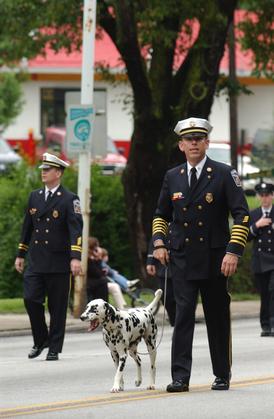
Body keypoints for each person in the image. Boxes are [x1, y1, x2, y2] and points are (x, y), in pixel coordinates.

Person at [152, 117, 249, 392]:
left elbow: (241, 215)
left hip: (215, 259)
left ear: (206, 142)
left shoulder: (223, 173)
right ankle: (180, 376)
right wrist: (159, 243)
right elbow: (161, 214)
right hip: (182, 258)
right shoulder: (173, 176)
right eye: (189, 139)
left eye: (199, 138)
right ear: (181, 145)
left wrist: (233, 251)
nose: (194, 143)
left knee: (217, 316)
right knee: (182, 317)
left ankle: (221, 373)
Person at [14, 153, 83, 361]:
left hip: (59, 261)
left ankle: (54, 346)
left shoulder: (70, 199)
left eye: (47, 169)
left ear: (58, 173)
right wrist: (21, 254)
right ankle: (41, 339)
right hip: (36, 260)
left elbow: (76, 230)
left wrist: (75, 257)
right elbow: (28, 227)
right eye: (42, 169)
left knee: (57, 307)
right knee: (30, 299)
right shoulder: (34, 196)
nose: (43, 173)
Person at [248, 182, 274, 337]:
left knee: (273, 290)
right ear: (259, 197)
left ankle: (272, 323)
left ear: (272, 196)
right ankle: (265, 325)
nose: (265, 198)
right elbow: (245, 236)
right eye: (262, 195)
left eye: (267, 195)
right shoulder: (254, 214)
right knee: (264, 293)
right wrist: (257, 225)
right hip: (260, 261)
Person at [146, 238, 176, 326]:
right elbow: (155, 240)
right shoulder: (159, 225)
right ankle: (173, 319)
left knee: (184, 296)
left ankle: (181, 320)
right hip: (163, 264)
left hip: (182, 263)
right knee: (166, 296)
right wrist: (150, 262)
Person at [86, 238, 109, 302]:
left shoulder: (91, 258)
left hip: (91, 281)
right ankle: (103, 305)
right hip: (89, 282)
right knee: (103, 281)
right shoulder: (88, 258)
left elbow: (98, 273)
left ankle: (104, 304)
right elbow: (97, 273)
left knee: (103, 281)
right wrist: (98, 258)